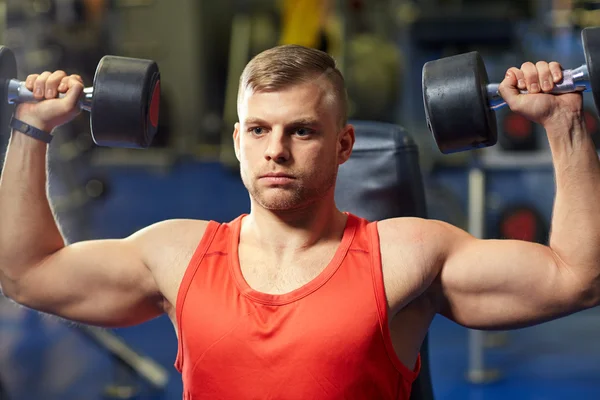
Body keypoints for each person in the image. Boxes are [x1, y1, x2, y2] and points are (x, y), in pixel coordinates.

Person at [0, 44, 599, 399]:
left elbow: (579, 278)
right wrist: (31, 128)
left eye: (302, 131)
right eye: (258, 130)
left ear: (343, 145)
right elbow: (27, 274)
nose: (276, 151)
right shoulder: (175, 256)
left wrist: (563, 124)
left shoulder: (405, 255)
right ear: (237, 141)